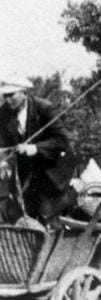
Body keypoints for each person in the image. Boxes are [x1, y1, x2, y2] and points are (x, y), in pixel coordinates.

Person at [0, 76, 77, 224]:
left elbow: (62, 140)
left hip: (53, 166)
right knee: (25, 210)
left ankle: (69, 201)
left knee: (47, 211)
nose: (8, 100)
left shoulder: (44, 108)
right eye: (5, 96)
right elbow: (3, 142)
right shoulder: (3, 113)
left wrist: (36, 148)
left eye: (12, 95)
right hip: (28, 168)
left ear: (24, 93)